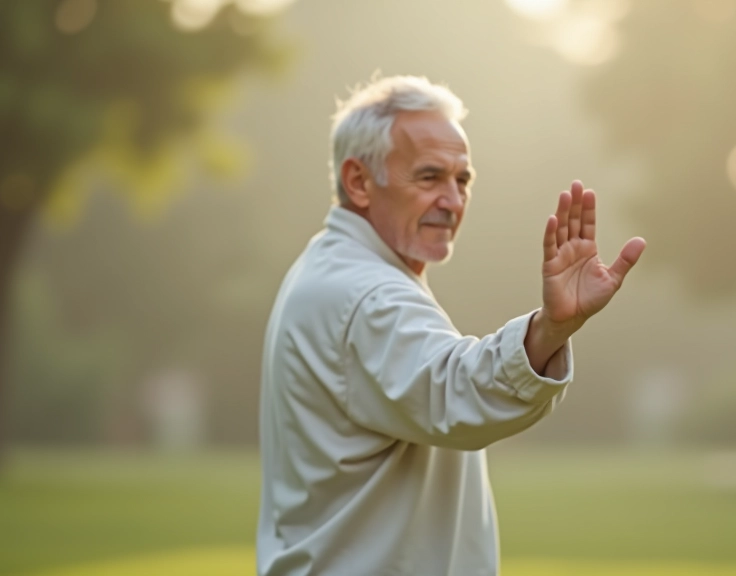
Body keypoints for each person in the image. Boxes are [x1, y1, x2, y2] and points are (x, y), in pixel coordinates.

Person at [256, 75, 646, 576]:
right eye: (428, 176)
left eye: (461, 180)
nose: (453, 200)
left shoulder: (335, 268)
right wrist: (550, 328)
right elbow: (455, 390)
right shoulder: (366, 294)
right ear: (358, 181)